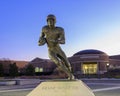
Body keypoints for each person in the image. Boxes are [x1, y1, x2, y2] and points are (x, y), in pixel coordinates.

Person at [38, 14, 74, 80]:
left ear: (55, 21)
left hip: (57, 48)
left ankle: (70, 72)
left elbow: (63, 41)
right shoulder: (44, 28)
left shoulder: (60, 30)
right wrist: (40, 42)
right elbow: (41, 37)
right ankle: (70, 75)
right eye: (48, 20)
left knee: (67, 62)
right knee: (58, 62)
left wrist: (57, 41)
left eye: (52, 20)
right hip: (50, 49)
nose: (50, 22)